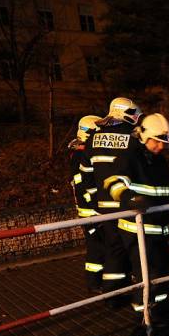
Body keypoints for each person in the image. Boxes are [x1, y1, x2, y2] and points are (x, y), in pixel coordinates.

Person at [110, 113, 169, 316]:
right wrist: (129, 198)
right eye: (157, 142)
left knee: (162, 270)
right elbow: (114, 184)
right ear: (145, 136)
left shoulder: (159, 161)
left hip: (158, 227)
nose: (161, 147)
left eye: (163, 143)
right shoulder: (129, 157)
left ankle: (161, 306)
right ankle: (144, 315)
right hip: (138, 228)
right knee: (147, 274)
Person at [87, 97, 143, 298]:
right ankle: (140, 290)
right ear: (122, 112)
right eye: (133, 113)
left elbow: (89, 172)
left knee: (113, 249)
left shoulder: (94, 138)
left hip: (104, 204)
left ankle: (111, 295)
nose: (136, 118)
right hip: (127, 201)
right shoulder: (132, 137)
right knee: (135, 248)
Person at [69, 115, 105, 293]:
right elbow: (82, 185)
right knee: (96, 247)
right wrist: (95, 207)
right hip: (89, 211)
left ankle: (100, 279)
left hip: (93, 209)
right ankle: (94, 283)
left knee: (102, 244)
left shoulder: (84, 153)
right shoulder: (80, 156)